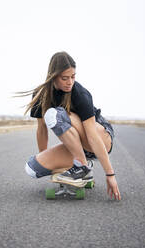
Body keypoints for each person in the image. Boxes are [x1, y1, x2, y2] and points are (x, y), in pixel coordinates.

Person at [20, 51, 121, 200]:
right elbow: (42, 130)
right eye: (65, 78)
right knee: (32, 168)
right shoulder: (40, 95)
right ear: (53, 76)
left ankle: (81, 167)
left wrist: (110, 174)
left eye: (73, 77)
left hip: (99, 138)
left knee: (55, 114)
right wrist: (46, 158)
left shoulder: (80, 94)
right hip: (77, 146)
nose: (70, 82)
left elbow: (92, 135)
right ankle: (81, 165)